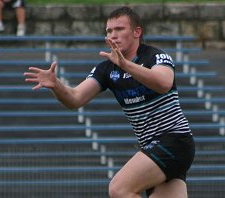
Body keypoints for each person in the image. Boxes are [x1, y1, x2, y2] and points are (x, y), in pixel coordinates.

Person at [24, 6, 195, 198]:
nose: (113, 35)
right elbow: (74, 99)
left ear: (137, 32)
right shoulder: (106, 69)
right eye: (109, 31)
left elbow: (164, 83)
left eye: (119, 29)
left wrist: (125, 64)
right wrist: (56, 85)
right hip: (153, 145)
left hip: (174, 140)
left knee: (119, 189)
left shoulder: (155, 56)